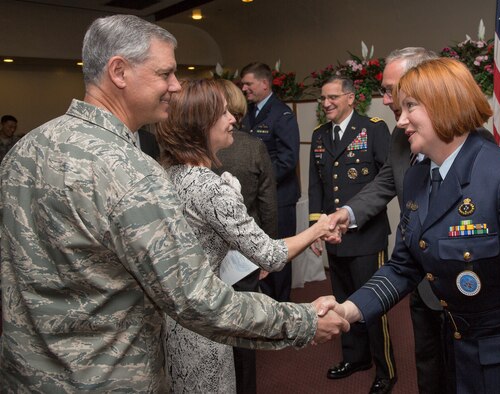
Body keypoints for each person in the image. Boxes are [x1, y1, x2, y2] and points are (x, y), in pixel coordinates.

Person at [0, 14, 349, 392]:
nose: (175, 85)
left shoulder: (25, 149)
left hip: (24, 376)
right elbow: (198, 300)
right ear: (119, 72)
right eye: (165, 73)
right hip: (107, 379)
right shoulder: (131, 173)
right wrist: (305, 321)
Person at [334, 57, 500, 393]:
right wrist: (348, 310)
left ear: (444, 105)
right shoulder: (417, 178)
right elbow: (403, 266)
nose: (401, 121)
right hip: (455, 355)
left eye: (411, 106)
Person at [327, 47, 497, 394]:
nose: (387, 100)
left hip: (466, 289)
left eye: (393, 90)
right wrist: (348, 212)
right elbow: (388, 182)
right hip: (420, 279)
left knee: (467, 373)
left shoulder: (489, 159)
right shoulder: (399, 137)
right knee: (429, 365)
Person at [154, 78, 340, 393]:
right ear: (202, 125)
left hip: (172, 320)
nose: (232, 120)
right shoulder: (211, 188)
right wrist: (319, 229)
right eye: (224, 114)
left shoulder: (169, 174)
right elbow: (271, 255)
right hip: (205, 324)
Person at [308, 75, 396, 394]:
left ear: (350, 98)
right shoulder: (320, 136)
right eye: (323, 99)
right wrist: (317, 230)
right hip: (334, 237)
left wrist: (353, 217)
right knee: (342, 299)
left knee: (373, 302)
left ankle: (386, 368)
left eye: (332, 97)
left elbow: (386, 182)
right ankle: (355, 358)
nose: (327, 103)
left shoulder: (373, 129)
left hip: (366, 235)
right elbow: (317, 187)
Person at [214, 79, 277, 394]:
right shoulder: (254, 146)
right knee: (246, 328)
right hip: (245, 250)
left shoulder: (195, 151)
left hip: (207, 253)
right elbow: (268, 203)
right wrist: (267, 252)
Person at [241, 62, 300, 302]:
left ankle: (283, 308)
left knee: (279, 255)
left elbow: (288, 159)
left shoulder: (282, 114)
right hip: (258, 199)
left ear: (264, 84)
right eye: (243, 84)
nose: (244, 88)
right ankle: (266, 307)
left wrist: (259, 183)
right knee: (259, 253)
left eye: (248, 83)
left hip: (280, 199)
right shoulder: (248, 113)